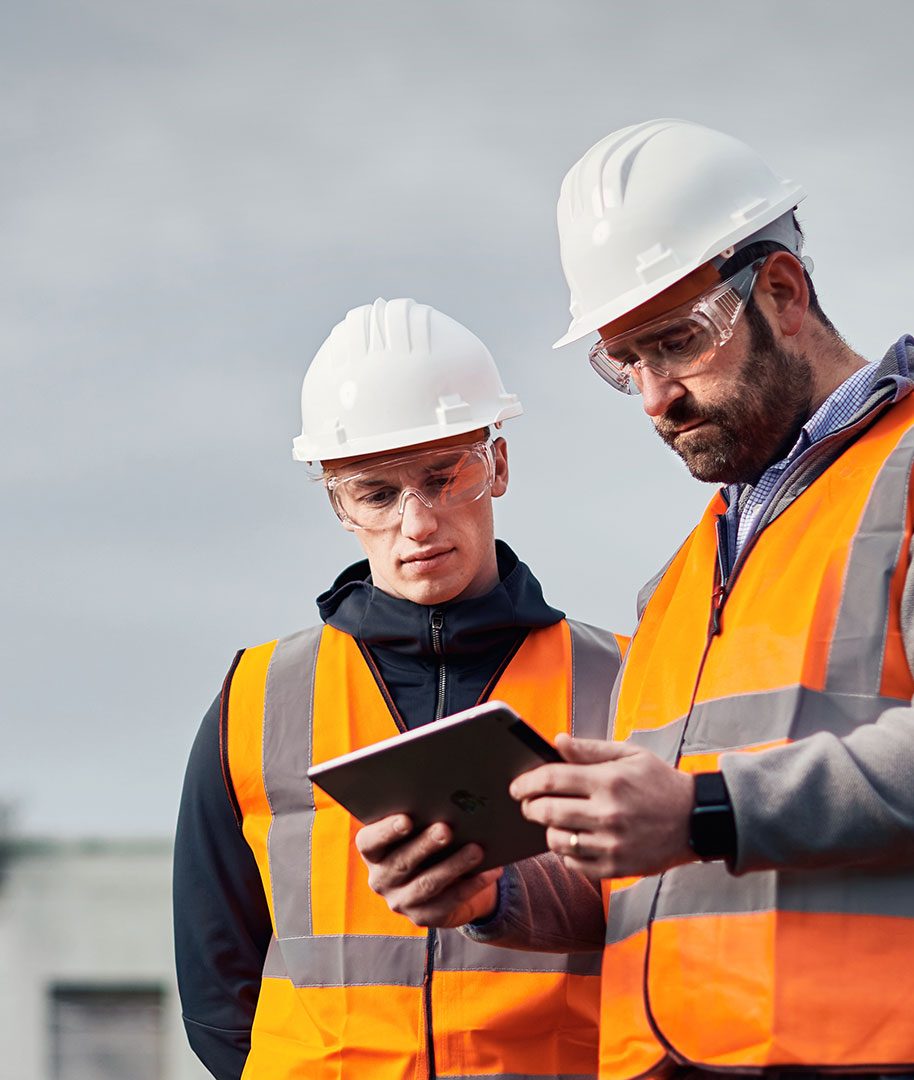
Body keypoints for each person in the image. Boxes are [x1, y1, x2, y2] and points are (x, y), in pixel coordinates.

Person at [357, 120, 914, 1080]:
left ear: (782, 290)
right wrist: (492, 893)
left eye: (677, 343)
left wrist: (701, 808)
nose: (655, 396)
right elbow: (661, 879)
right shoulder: (686, 581)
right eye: (625, 363)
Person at [173, 297, 628, 1080]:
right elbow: (217, 986)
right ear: (338, 506)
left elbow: (673, 926)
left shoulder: (626, 679)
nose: (418, 522)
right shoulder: (258, 697)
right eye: (377, 494)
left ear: (499, 467)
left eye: (444, 476)